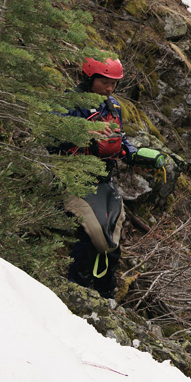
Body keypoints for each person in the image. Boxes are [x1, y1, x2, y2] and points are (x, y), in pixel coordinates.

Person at [60, 57, 163, 299]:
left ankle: (106, 294)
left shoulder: (112, 107)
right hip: (75, 180)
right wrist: (84, 130)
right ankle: (75, 291)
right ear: (89, 79)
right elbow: (53, 132)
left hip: (104, 182)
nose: (109, 88)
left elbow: (120, 141)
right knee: (93, 237)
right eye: (105, 82)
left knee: (112, 240)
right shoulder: (69, 102)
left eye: (113, 84)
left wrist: (137, 155)